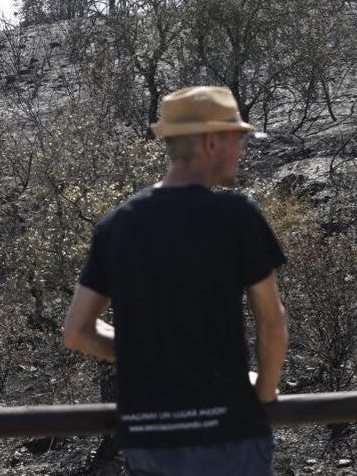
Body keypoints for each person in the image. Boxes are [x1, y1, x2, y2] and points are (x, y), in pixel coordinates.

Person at [62, 86, 288, 476]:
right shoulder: (236, 217)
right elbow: (271, 321)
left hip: (150, 441)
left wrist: (156, 356)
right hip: (228, 438)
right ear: (211, 141)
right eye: (238, 138)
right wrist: (263, 393)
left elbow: (77, 332)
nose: (242, 150)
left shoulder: (117, 225)